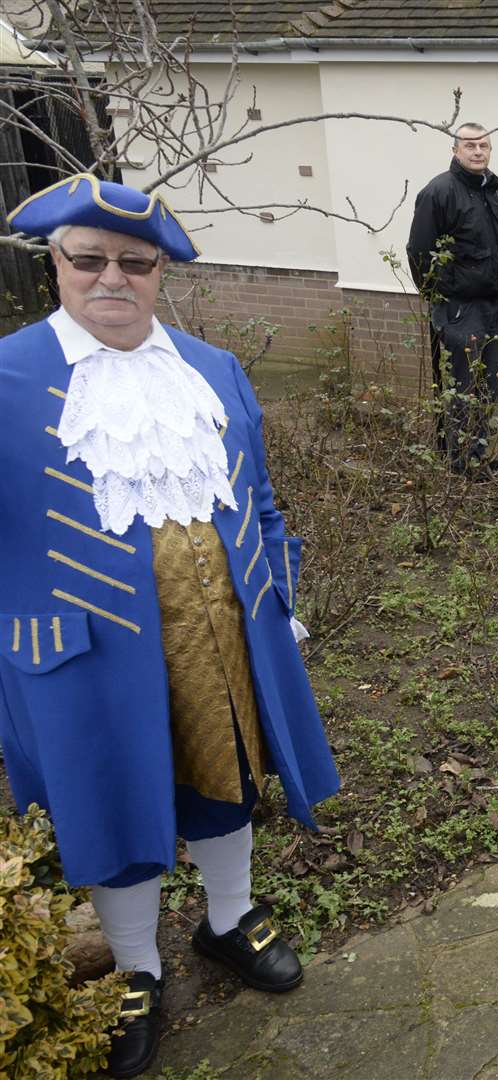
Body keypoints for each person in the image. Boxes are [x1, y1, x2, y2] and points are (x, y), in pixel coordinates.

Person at [1, 175, 339, 1077]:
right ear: (56, 265)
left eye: (135, 262)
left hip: (223, 631)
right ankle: (138, 967)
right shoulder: (6, 378)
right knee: (116, 798)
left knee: (226, 772)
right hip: (84, 653)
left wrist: (280, 593)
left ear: (159, 271)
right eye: (88, 259)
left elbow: (260, 498)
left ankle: (228, 922)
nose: (112, 277)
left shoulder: (211, 366)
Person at [407, 121, 498, 477]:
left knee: (487, 384)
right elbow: (419, 251)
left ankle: (478, 454)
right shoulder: (439, 192)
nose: (477, 152)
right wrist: (443, 294)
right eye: (469, 146)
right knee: (461, 385)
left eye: (483, 146)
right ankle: (459, 464)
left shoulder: (493, 188)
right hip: (460, 308)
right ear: (455, 150)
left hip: (492, 304)